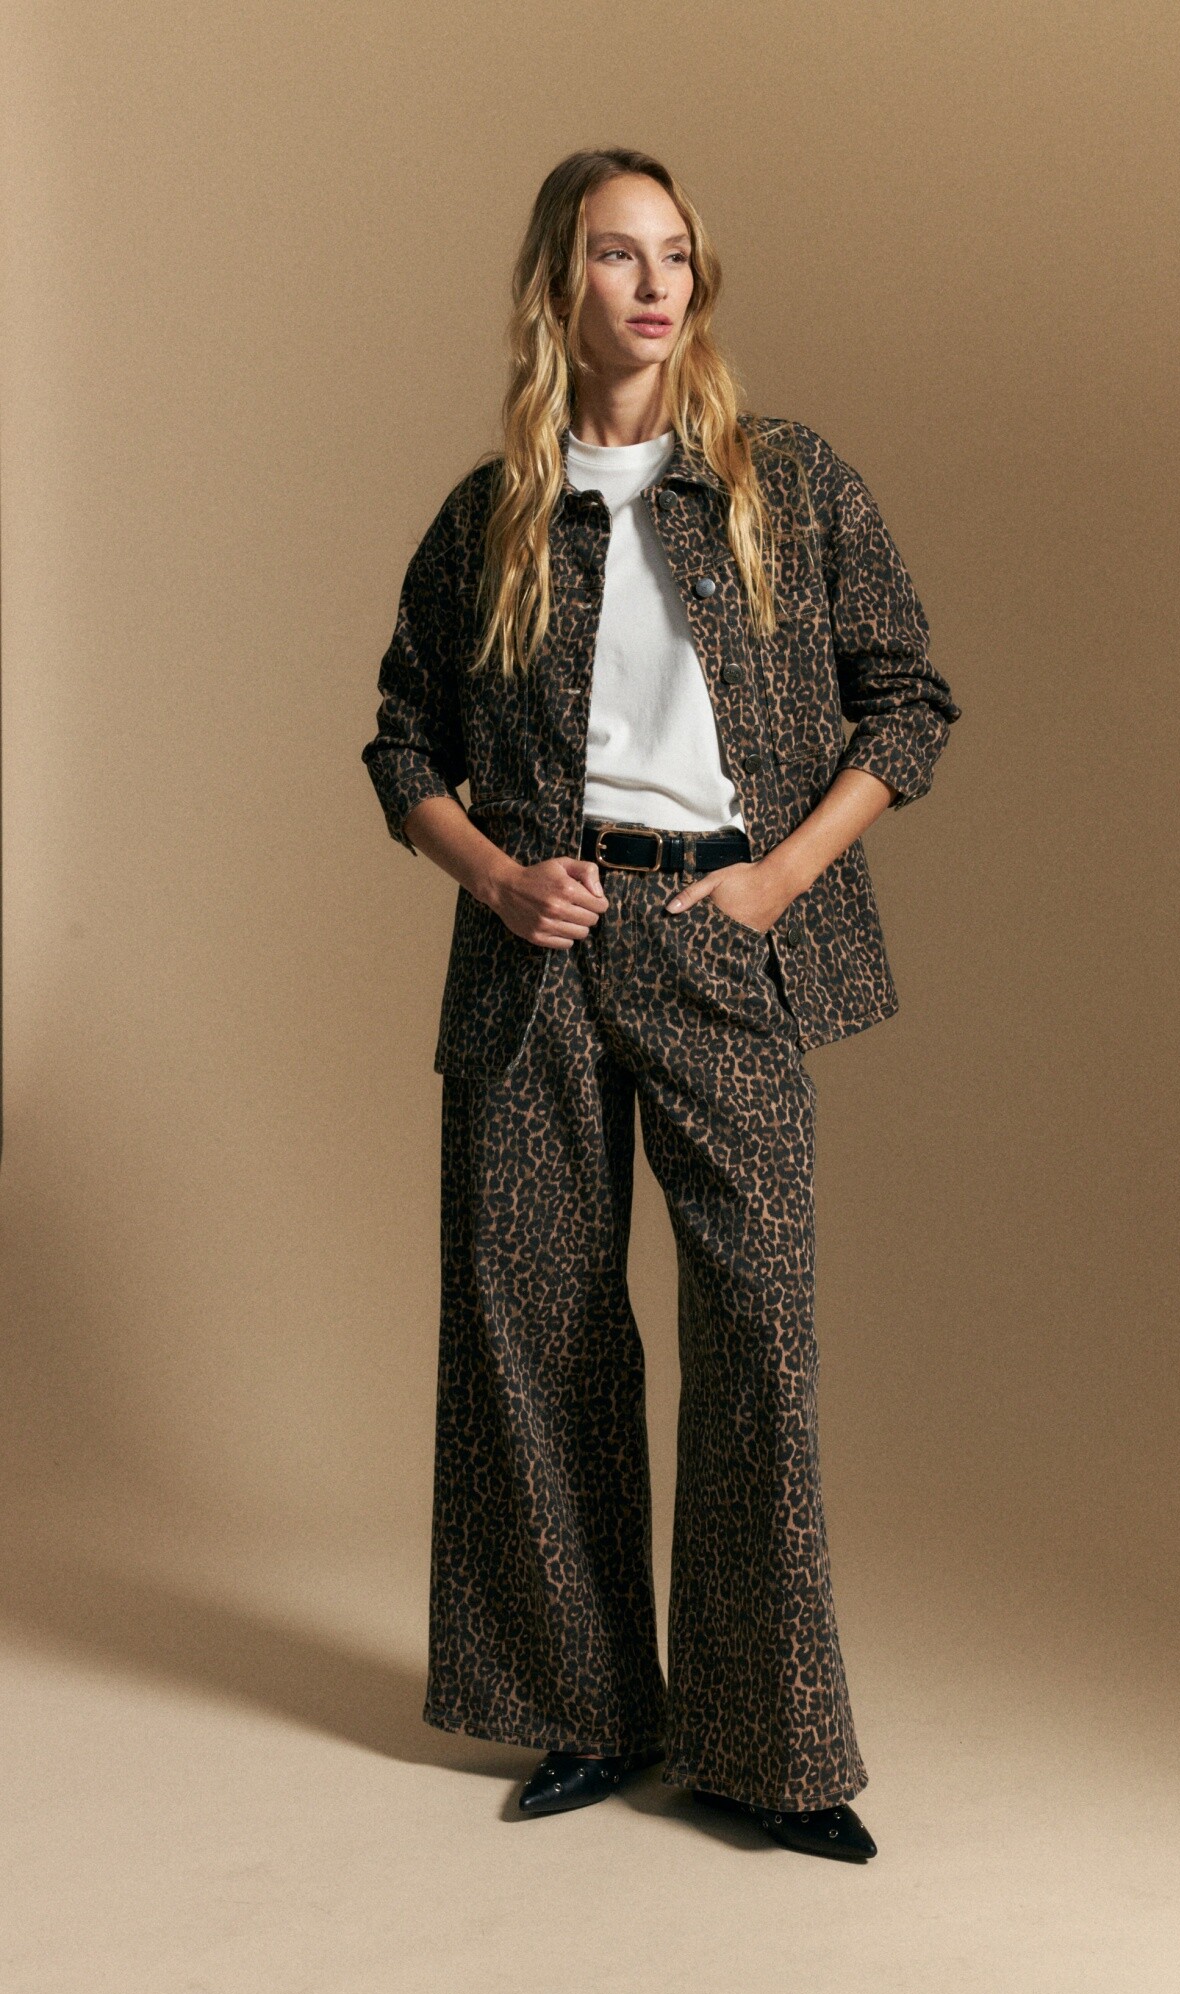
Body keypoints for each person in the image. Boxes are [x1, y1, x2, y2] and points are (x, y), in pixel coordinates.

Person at [361, 147, 961, 1864]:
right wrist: (496, 877)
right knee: (538, 1331)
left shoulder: (787, 482)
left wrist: (778, 880)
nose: (652, 285)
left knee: (756, 1334)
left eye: (675, 255)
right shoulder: (488, 516)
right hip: (537, 955)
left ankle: (768, 1747)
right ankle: (586, 1713)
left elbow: (907, 701)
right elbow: (402, 743)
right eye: (617, 256)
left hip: (719, 934)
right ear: (557, 284)